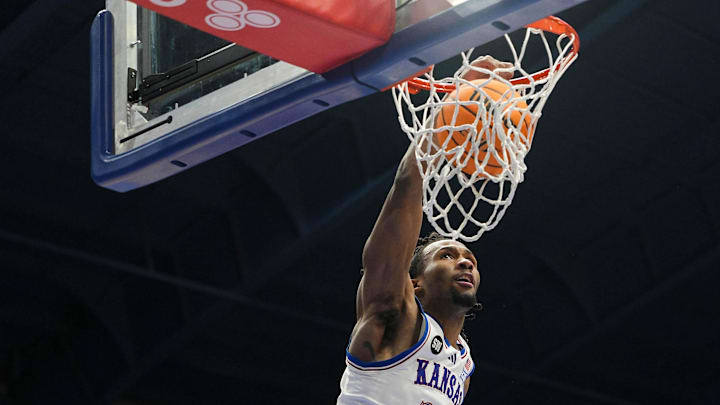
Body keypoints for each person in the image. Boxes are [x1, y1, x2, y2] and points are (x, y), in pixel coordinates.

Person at [337, 56, 513, 405]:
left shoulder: (463, 363)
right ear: (414, 283)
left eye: (470, 260)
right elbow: (406, 183)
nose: (465, 264)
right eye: (447, 256)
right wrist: (453, 107)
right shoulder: (391, 315)